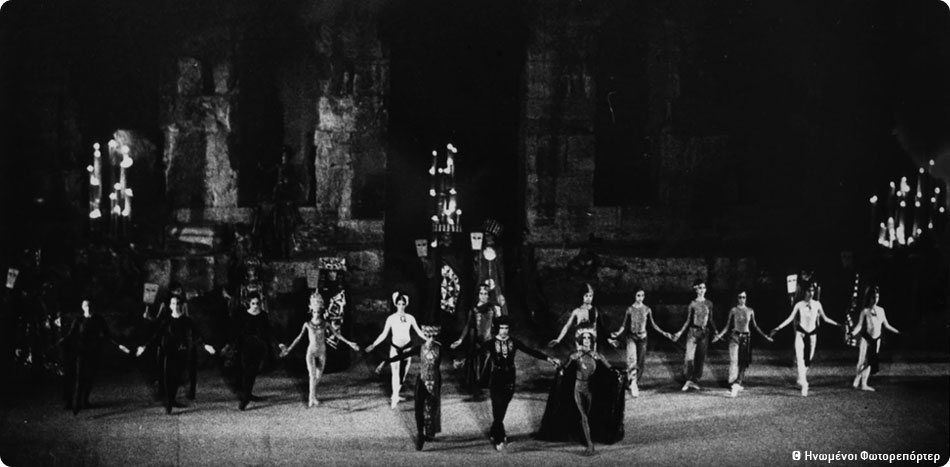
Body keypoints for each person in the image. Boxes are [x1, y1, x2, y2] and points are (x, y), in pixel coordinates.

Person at [537, 326, 626, 453]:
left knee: (588, 416)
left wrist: (620, 374)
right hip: (578, 388)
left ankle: (582, 434)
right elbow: (565, 370)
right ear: (580, 340)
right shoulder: (575, 356)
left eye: (589, 338)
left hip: (591, 389)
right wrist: (560, 369)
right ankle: (590, 445)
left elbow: (610, 369)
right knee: (584, 416)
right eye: (584, 338)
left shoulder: (597, 356)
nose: (586, 340)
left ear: (592, 340)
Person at [482, 316, 559, 451]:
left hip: (510, 377)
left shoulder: (514, 342)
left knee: (504, 404)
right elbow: (475, 352)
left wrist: (548, 358)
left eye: (506, 328)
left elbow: (530, 351)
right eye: (502, 328)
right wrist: (460, 359)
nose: (504, 331)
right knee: (497, 405)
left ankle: (494, 430)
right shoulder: (491, 343)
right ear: (498, 329)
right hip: (496, 377)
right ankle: (499, 436)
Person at [135, 296, 216, 414]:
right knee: (168, 377)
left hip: (181, 351)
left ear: (181, 305)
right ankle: (169, 403)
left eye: (178, 303)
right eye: (173, 303)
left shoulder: (186, 320)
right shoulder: (166, 320)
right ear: (170, 306)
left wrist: (205, 345)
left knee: (177, 378)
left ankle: (172, 400)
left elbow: (197, 333)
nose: (176, 306)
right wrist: (144, 346)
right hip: (168, 351)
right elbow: (156, 335)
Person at [279, 292, 359, 408]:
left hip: (322, 351)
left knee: (318, 376)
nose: (316, 314)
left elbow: (337, 334)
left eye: (318, 312)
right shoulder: (307, 324)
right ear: (311, 311)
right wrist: (289, 349)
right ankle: (311, 398)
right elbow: (298, 338)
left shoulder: (325, 324)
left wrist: (349, 343)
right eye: (314, 312)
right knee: (312, 375)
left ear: (320, 311)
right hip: (311, 352)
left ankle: (312, 394)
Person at [376, 325, 443, 451]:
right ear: (425, 336)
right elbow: (402, 356)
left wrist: (458, 361)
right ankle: (420, 434)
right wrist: (386, 361)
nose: (431, 339)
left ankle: (429, 431)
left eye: (433, 337)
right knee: (419, 408)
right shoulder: (420, 348)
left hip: (435, 381)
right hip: (422, 380)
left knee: (432, 407)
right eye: (428, 336)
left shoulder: (440, 348)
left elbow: (454, 356)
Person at [769, 283, 843, 397]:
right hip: (801, 334)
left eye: (812, 291)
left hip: (812, 335)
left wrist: (838, 325)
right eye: (809, 291)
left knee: (808, 361)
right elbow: (790, 318)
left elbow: (825, 318)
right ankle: (804, 384)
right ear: (804, 292)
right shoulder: (799, 305)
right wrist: (778, 328)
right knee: (800, 359)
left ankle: (800, 378)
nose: (811, 293)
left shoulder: (817, 304)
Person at [59, 298, 130, 414]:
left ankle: (85, 400)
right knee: (79, 377)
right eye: (86, 306)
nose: (89, 308)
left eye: (90, 306)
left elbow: (107, 335)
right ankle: (76, 404)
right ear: (83, 308)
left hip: (94, 352)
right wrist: (61, 342)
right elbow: (71, 334)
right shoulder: (79, 320)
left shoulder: (98, 320)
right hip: (81, 352)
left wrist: (118, 345)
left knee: (90, 377)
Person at [366, 292, 427, 409]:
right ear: (395, 304)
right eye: (399, 304)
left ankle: (396, 393)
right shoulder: (391, 318)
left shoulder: (410, 318)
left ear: (406, 304)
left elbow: (419, 332)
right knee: (395, 372)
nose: (401, 306)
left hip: (407, 348)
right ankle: (394, 397)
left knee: (403, 373)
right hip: (395, 348)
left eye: (403, 304)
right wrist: (374, 344)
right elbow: (384, 334)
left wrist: (429, 339)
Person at [608, 288, 673, 397]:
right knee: (632, 360)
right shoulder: (629, 309)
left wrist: (664, 333)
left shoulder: (647, 309)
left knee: (640, 362)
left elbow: (653, 324)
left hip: (642, 338)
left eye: (642, 295)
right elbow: (624, 324)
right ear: (634, 296)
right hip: (631, 337)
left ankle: (634, 382)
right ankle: (633, 383)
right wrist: (618, 333)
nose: (640, 298)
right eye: (638, 295)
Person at [712, 291, 772, 397]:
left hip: (746, 337)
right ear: (737, 298)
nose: (742, 299)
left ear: (746, 298)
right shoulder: (733, 310)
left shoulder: (750, 310)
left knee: (743, 362)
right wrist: (719, 336)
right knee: (734, 360)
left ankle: (738, 382)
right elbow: (727, 325)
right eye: (740, 297)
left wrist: (765, 335)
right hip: (735, 336)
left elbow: (755, 326)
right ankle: (732, 382)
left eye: (744, 297)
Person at [450, 284, 502, 396]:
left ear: (489, 296)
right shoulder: (474, 310)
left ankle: (485, 386)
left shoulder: (492, 309)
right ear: (478, 295)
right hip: (477, 340)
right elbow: (468, 326)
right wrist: (460, 340)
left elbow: (499, 325)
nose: (483, 296)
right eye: (481, 293)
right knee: (476, 364)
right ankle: (476, 387)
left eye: (485, 294)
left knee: (487, 362)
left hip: (489, 339)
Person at [847, 287, 900, 392]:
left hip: (876, 339)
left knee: (870, 361)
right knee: (861, 361)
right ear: (869, 298)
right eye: (873, 297)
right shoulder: (865, 311)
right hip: (866, 338)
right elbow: (859, 326)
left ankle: (864, 384)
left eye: (877, 297)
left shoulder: (881, 310)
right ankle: (857, 378)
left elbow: (886, 325)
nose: (875, 299)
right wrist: (852, 333)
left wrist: (897, 332)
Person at [671, 280, 719, 391]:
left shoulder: (709, 303)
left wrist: (716, 331)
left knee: (700, 358)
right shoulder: (692, 304)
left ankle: (694, 380)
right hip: (693, 332)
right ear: (696, 289)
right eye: (700, 288)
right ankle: (688, 379)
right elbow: (688, 320)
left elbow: (711, 320)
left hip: (704, 332)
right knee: (689, 357)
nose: (702, 290)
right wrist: (680, 332)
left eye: (704, 288)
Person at [231, 293, 274, 410]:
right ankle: (245, 398)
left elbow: (268, 331)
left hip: (258, 347)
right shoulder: (243, 315)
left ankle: (247, 394)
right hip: (245, 347)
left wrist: (275, 343)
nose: (255, 306)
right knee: (246, 372)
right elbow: (238, 332)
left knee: (253, 372)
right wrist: (235, 346)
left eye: (257, 303)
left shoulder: (263, 315)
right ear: (249, 304)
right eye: (253, 303)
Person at [549, 283, 607, 349]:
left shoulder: (595, 310)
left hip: (592, 341)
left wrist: (608, 339)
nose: (589, 298)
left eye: (590, 296)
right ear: (582, 296)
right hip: (579, 341)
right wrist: (558, 339)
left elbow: (598, 327)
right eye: (586, 296)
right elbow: (567, 326)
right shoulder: (577, 311)